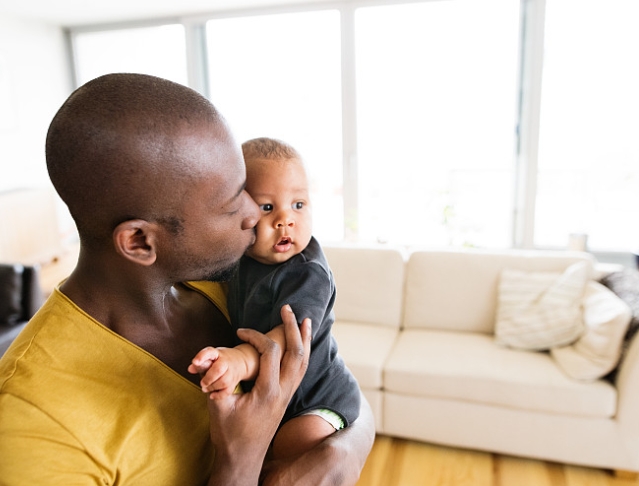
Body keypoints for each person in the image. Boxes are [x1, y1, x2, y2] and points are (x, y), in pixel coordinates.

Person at [0, 73, 375, 485]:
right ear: (141, 241)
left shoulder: (221, 278)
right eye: (232, 204)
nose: (255, 216)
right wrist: (241, 460)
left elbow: (332, 375)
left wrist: (346, 448)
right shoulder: (34, 426)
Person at [189, 138, 361, 460]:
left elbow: (289, 339)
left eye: (298, 205)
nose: (286, 220)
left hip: (317, 398)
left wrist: (240, 360)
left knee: (294, 443)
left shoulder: (306, 273)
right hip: (273, 395)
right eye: (267, 207)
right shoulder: (243, 256)